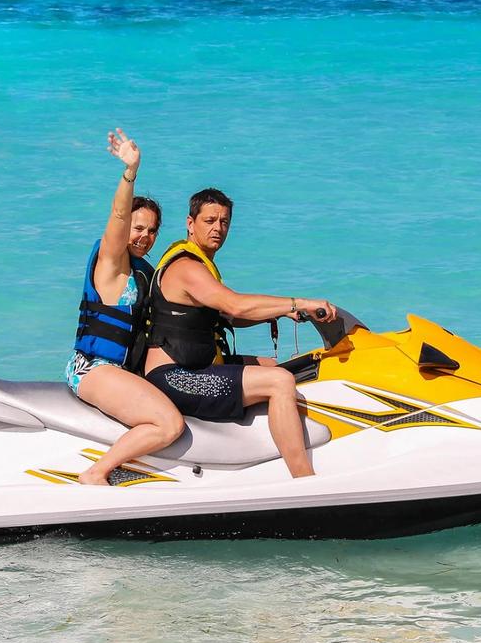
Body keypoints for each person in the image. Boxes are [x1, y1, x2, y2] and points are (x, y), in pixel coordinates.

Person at [144, 188, 337, 478]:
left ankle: (264, 456)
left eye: (224, 222)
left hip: (194, 368)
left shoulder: (201, 263)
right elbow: (234, 304)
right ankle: (303, 478)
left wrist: (279, 312)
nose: (218, 228)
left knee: (274, 367)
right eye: (209, 221)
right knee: (280, 381)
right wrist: (300, 302)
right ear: (190, 223)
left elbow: (229, 317)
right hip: (175, 378)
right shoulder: (186, 267)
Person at [65, 128, 184, 485]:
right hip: (93, 368)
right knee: (169, 424)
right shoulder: (112, 261)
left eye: (152, 231)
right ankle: (96, 473)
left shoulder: (144, 273)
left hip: (119, 372)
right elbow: (118, 216)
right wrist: (130, 171)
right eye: (138, 228)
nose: (144, 236)